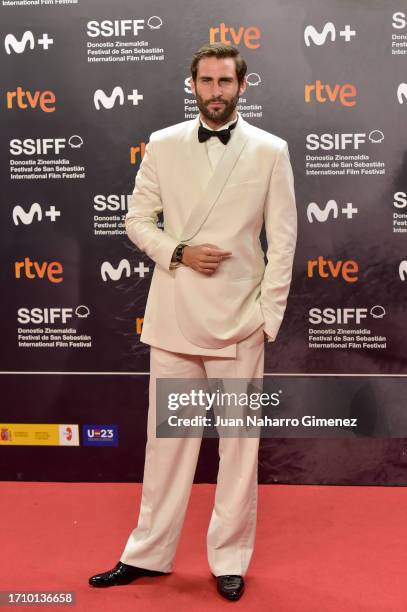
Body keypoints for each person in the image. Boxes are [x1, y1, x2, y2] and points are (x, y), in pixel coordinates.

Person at [89, 42, 297, 602]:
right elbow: (136, 220)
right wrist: (177, 251)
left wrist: (264, 318)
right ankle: (148, 554)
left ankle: (229, 558)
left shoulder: (270, 151)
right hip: (176, 317)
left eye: (224, 82)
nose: (214, 92)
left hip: (238, 324)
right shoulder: (162, 144)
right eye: (205, 82)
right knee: (168, 446)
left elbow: (283, 243)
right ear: (193, 85)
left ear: (241, 85)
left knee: (238, 447)